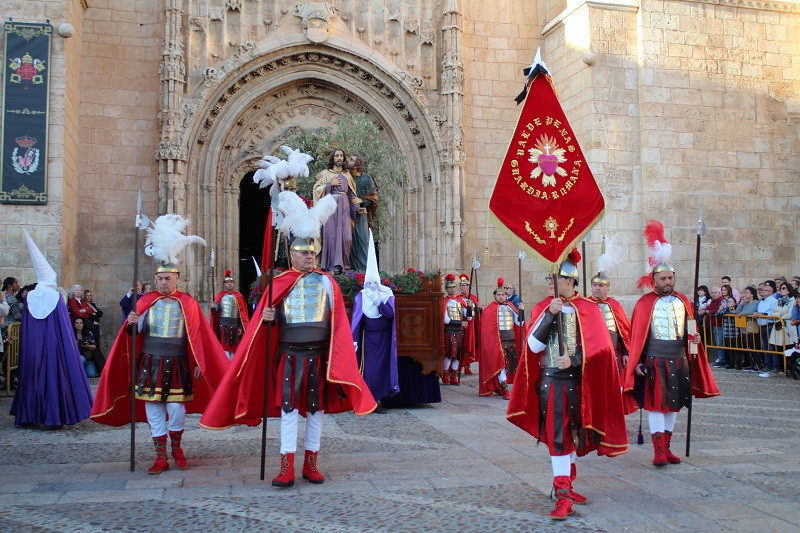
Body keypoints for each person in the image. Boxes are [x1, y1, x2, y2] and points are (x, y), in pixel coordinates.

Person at [200, 237, 376, 487]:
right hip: (290, 355)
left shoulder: (327, 282)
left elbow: (337, 323)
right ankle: (286, 467)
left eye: (312, 253)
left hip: (318, 355)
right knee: (288, 409)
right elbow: (263, 326)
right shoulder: (278, 284)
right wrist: (268, 317)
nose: (309, 257)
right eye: (304, 253)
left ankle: (311, 464)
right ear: (292, 256)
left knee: (316, 410)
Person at [91, 214, 229, 474]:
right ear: (155, 280)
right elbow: (133, 336)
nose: (163, 282)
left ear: (177, 278)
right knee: (153, 407)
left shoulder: (187, 302)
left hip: (177, 362)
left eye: (168, 278)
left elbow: (199, 337)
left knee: (176, 408)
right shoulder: (145, 303)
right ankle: (160, 456)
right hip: (151, 360)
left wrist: (199, 362)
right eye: (160, 279)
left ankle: (177, 447)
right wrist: (132, 323)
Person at [507, 250, 629, 521]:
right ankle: (562, 494)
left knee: (573, 435)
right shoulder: (543, 307)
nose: (551, 282)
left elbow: (603, 349)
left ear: (570, 280)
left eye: (557, 278)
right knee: (559, 438)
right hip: (552, 385)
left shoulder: (587, 308)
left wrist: (573, 359)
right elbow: (533, 346)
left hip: (579, 383)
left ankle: (567, 485)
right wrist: (550, 315)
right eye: (550, 278)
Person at [623, 221, 719, 468]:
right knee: (656, 405)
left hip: (679, 360)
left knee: (673, 405)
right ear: (654, 279)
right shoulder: (644, 303)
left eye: (671, 277)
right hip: (654, 360)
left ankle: (667, 448)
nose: (668, 281)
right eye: (663, 278)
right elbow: (638, 337)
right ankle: (657, 451)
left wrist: (695, 340)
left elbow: (690, 331)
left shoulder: (684, 301)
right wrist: (637, 363)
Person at [10, 230, 94, 427]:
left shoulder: (30, 297)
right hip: (53, 347)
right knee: (53, 379)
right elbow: (64, 326)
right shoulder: (56, 297)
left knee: (31, 377)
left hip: (32, 347)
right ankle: (53, 417)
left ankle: (28, 415)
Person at [351, 230, 398, 412]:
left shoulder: (386, 295)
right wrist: (354, 341)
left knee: (382, 369)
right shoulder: (360, 297)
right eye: (368, 283)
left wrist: (379, 302)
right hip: (367, 340)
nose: (371, 286)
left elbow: (390, 314)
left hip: (384, 339)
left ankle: (379, 400)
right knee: (369, 370)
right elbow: (356, 321)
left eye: (374, 283)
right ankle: (368, 400)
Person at [313, 148, 361, 273]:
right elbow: (316, 190)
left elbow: (351, 194)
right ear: (333, 158)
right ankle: (330, 267)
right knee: (331, 236)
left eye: (341, 155)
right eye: (336, 155)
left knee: (347, 237)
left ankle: (344, 266)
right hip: (330, 209)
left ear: (343, 158)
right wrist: (330, 184)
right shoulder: (325, 174)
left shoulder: (348, 175)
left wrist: (358, 206)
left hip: (344, 208)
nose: (339, 157)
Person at [479, 278, 522, 399]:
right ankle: (505, 389)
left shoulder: (511, 306)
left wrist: (521, 312)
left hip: (511, 340)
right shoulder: (490, 309)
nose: (501, 297)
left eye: (503, 294)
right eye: (499, 294)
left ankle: (507, 387)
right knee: (501, 365)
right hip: (497, 342)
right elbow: (486, 328)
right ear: (494, 296)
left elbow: (519, 324)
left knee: (511, 365)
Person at [588, 272, 631, 377]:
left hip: (613, 351)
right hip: (592, 353)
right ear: (591, 287)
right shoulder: (585, 304)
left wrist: (626, 353)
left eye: (601, 285)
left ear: (608, 288)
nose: (597, 288)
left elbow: (623, 332)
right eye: (595, 285)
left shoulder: (615, 305)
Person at [210, 269, 250, 360]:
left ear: (234, 284)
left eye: (231, 282)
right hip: (223, 325)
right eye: (227, 282)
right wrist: (214, 307)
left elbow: (242, 314)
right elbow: (217, 311)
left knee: (234, 347)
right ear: (224, 284)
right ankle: (225, 364)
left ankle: (232, 364)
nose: (229, 284)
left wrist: (240, 326)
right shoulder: (220, 296)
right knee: (224, 346)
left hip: (235, 325)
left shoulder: (238, 296)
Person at [348, 154, 379, 272]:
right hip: (349, 215)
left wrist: (361, 200)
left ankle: (363, 271)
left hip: (361, 216)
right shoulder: (347, 177)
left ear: (357, 164)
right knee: (349, 242)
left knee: (362, 241)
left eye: (351, 159)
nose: (348, 160)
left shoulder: (366, 179)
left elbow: (373, 197)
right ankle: (352, 272)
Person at [441, 273, 472, 385]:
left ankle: (453, 375)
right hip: (449, 330)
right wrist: (460, 323)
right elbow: (446, 320)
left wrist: (470, 307)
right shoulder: (445, 302)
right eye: (450, 287)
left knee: (458, 355)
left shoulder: (460, 302)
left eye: (454, 287)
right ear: (446, 289)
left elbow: (469, 317)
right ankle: (445, 375)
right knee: (449, 354)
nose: (453, 289)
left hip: (459, 332)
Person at [763, 282, 799, 377]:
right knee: (775, 346)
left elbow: (790, 314)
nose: (781, 290)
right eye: (781, 288)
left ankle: (788, 367)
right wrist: (780, 314)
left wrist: (779, 314)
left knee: (788, 347)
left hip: (787, 327)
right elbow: (773, 312)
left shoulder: (792, 301)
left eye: (783, 288)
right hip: (778, 326)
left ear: (788, 290)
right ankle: (777, 367)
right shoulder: (778, 301)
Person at [458, 273, 480, 376]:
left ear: (469, 287)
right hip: (462, 325)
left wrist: (477, 307)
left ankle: (467, 366)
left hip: (473, 325)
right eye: (461, 285)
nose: (462, 287)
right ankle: (460, 366)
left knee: (471, 344)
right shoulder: (458, 298)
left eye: (464, 285)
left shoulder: (474, 298)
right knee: (461, 345)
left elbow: (479, 312)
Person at [735, 286, 760, 371]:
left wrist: (742, 313)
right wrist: (741, 303)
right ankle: (751, 363)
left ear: (752, 294)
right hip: (744, 327)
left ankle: (757, 363)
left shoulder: (755, 302)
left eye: (747, 292)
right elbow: (737, 312)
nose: (745, 294)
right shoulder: (745, 303)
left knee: (753, 346)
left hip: (752, 326)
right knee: (748, 347)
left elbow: (751, 311)